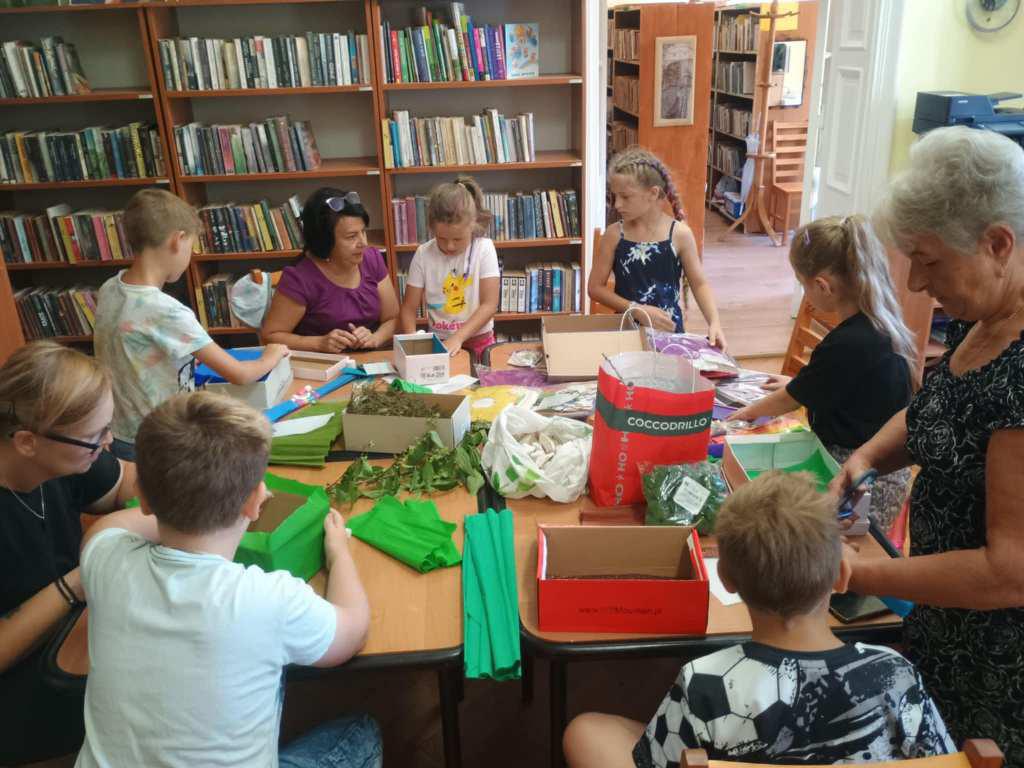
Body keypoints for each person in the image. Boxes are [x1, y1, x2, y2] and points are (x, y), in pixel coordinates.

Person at [832, 125, 1024, 765]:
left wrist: (856, 573)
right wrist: (864, 458)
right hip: (946, 619)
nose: (914, 282)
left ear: (998, 244)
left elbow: (1008, 571)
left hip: (999, 656)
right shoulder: (983, 320)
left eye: (929, 260)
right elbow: (932, 415)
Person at [563, 471, 955, 768]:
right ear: (841, 576)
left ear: (726, 579)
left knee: (584, 731)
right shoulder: (896, 672)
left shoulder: (702, 682)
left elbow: (659, 759)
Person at [75, 390, 380, 768]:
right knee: (362, 732)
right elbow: (353, 631)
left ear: (143, 499)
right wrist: (339, 552)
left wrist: (173, 501)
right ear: (255, 502)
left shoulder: (104, 557)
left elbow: (109, 526)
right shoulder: (271, 598)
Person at [728, 215, 916, 532]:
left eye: (802, 285)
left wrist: (746, 413)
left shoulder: (848, 342)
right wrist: (797, 384)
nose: (805, 294)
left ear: (822, 286)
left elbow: (790, 400)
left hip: (860, 483)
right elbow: (837, 382)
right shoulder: (877, 325)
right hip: (882, 471)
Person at [0, 341, 138, 765]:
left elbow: (126, 482)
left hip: (67, 638)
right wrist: (76, 583)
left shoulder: (61, 454)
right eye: (95, 436)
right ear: (27, 442)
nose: (108, 443)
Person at [94, 188, 289, 462]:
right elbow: (241, 375)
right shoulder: (166, 311)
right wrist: (272, 354)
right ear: (178, 240)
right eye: (191, 247)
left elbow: (133, 351)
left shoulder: (110, 288)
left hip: (117, 434)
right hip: (160, 438)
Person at [591, 146, 727, 350]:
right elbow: (594, 288)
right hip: (626, 334)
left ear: (653, 193)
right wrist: (636, 309)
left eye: (625, 197)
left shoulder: (680, 235)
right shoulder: (614, 235)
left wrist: (714, 322)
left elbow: (699, 284)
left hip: (669, 336)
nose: (617, 204)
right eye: (615, 196)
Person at [262, 187, 399, 353]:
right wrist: (319, 343)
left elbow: (393, 319)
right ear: (324, 241)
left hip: (371, 359)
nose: (363, 243)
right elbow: (270, 336)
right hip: (321, 363)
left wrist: (375, 338)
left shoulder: (372, 259)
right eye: (351, 237)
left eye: (363, 232)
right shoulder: (300, 278)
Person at [397, 176, 500, 358]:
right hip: (439, 343)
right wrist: (411, 341)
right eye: (442, 238)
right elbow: (408, 308)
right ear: (432, 229)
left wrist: (457, 338)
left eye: (458, 239)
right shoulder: (423, 253)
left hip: (479, 342)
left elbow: (489, 305)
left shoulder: (484, 248)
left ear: (473, 225)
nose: (450, 246)